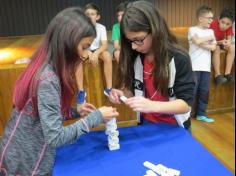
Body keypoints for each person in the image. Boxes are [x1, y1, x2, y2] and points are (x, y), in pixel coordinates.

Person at [0, 7, 118, 175]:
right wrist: (96, 117)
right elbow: (55, 137)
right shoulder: (48, 78)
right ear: (68, 42)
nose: (85, 55)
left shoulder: (43, 66)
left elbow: (44, 114)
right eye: (84, 47)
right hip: (26, 163)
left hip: (17, 154)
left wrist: (75, 111)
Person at [107, 1, 195, 130]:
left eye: (139, 39)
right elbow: (134, 91)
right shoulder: (135, 57)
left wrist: (151, 105)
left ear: (155, 30)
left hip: (176, 127)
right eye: (130, 41)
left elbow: (186, 104)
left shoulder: (179, 58)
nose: (133, 46)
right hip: (146, 124)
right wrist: (123, 95)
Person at [75, 3, 113, 111]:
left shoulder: (101, 28)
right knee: (77, 60)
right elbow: (78, 45)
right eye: (87, 14)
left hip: (97, 50)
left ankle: (109, 88)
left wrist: (96, 53)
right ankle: (81, 91)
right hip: (84, 49)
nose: (90, 16)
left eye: (92, 14)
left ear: (98, 16)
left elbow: (105, 45)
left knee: (107, 55)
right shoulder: (80, 27)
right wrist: (87, 51)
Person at [188, 5, 217, 122]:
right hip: (194, 66)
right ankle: (186, 115)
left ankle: (201, 114)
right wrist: (208, 39)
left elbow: (214, 47)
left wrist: (201, 42)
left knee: (204, 91)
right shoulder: (192, 29)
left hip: (206, 67)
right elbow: (197, 41)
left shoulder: (211, 31)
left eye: (212, 18)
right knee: (192, 91)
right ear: (200, 18)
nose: (211, 20)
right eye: (209, 18)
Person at [210, 7, 235, 85]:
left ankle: (227, 74)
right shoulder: (212, 24)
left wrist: (228, 42)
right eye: (223, 22)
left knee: (233, 47)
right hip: (212, 44)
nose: (224, 26)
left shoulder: (229, 27)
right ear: (218, 19)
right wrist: (220, 42)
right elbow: (210, 42)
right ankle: (217, 75)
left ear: (231, 24)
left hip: (220, 43)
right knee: (216, 48)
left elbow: (229, 39)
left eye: (228, 24)